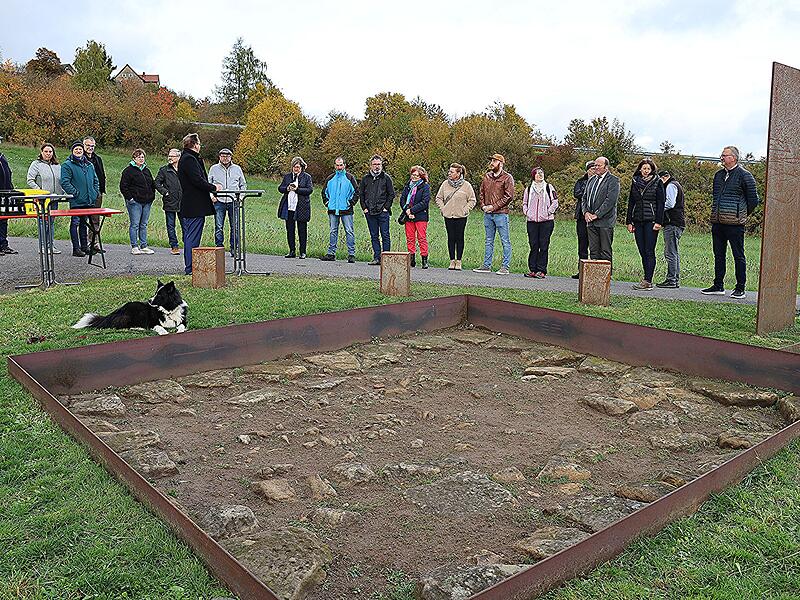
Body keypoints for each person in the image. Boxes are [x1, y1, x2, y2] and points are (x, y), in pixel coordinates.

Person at [701, 146, 760, 299]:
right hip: (718, 223)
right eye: (721, 155)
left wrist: (740, 214)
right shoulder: (718, 175)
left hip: (735, 224)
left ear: (733, 157)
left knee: (738, 256)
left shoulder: (745, 175)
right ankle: (718, 285)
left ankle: (740, 288)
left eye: (725, 155)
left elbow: (753, 200)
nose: (721, 157)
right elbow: (716, 197)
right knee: (718, 255)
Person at [178, 133, 222, 275]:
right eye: (199, 144)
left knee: (190, 235)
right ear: (195, 144)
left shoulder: (186, 158)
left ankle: (190, 266)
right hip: (194, 205)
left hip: (192, 204)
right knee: (192, 237)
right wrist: (213, 187)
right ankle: (190, 268)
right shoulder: (189, 159)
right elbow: (197, 180)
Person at [625, 158, 665, 290]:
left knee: (649, 250)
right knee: (642, 250)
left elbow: (661, 203)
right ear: (640, 169)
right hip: (638, 219)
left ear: (652, 170)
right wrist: (629, 221)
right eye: (644, 168)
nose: (646, 171)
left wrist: (659, 221)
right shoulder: (635, 181)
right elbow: (631, 202)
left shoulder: (657, 182)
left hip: (651, 220)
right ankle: (645, 278)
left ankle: (648, 280)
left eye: (648, 168)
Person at [473, 153, 514, 275]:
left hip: (501, 213)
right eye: (491, 161)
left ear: (500, 164)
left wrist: (494, 207)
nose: (491, 163)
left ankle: (505, 267)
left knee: (505, 241)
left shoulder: (507, 178)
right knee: (488, 240)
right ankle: (486, 265)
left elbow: (509, 196)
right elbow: (481, 192)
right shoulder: (487, 176)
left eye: (494, 161)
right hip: (488, 214)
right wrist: (484, 206)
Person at [60, 140, 99, 257]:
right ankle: (75, 248)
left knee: (84, 224)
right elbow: (65, 182)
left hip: (88, 200)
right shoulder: (67, 165)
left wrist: (94, 193)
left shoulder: (89, 165)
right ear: (72, 151)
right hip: (76, 200)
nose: (78, 151)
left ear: (83, 151)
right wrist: (75, 193)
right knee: (75, 223)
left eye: (80, 149)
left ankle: (84, 247)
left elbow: (95, 181)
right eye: (76, 149)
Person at [435, 162, 476, 270]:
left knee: (460, 237)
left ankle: (459, 261)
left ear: (458, 173)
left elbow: (472, 200)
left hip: (461, 216)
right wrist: (443, 209)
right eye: (449, 171)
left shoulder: (466, 185)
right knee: (451, 237)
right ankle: (452, 260)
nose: (449, 173)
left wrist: (465, 210)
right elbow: (438, 198)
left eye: (451, 172)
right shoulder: (445, 184)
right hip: (448, 216)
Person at [581, 156, 620, 265]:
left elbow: (610, 201)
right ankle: (594, 278)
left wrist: (597, 215)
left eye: (599, 165)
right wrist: (586, 212)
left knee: (605, 250)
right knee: (593, 251)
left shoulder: (613, 180)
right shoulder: (591, 180)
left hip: (605, 222)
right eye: (595, 165)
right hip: (591, 221)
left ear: (606, 167)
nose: (596, 167)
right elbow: (584, 198)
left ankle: (606, 278)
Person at [208, 148, 246, 256]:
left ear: (231, 157)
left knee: (235, 226)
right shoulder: (213, 169)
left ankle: (234, 248)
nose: (225, 158)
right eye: (223, 156)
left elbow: (243, 185)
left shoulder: (237, 169)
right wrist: (211, 196)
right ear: (219, 157)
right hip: (219, 201)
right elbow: (208, 184)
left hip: (233, 201)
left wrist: (241, 197)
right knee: (219, 226)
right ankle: (219, 248)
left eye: (227, 156)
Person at [320, 156, 359, 262]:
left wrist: (350, 203)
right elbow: (324, 192)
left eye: (341, 165)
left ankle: (351, 254)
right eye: (337, 165)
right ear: (334, 166)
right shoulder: (330, 178)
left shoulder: (350, 177)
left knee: (349, 231)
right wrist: (327, 203)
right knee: (333, 231)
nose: (339, 167)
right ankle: (331, 253)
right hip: (332, 209)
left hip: (346, 210)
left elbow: (356, 192)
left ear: (344, 165)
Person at [522, 167, 558, 279]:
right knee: (533, 245)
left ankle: (541, 270)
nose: (540, 175)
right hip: (532, 221)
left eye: (541, 173)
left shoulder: (549, 187)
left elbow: (555, 202)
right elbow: (524, 203)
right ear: (533, 175)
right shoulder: (528, 189)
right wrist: (528, 213)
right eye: (537, 173)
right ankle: (532, 269)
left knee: (543, 245)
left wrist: (548, 212)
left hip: (546, 222)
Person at [26, 143, 63, 253]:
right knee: (43, 223)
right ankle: (42, 246)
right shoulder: (36, 164)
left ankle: (50, 245)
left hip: (54, 199)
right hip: (42, 199)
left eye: (50, 152)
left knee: (51, 223)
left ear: (53, 153)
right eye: (46, 151)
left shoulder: (57, 165)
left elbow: (61, 180)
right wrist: (40, 191)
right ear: (41, 152)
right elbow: (30, 180)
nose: (48, 154)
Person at [120, 148, 156, 255]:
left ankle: (144, 245)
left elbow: (152, 184)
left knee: (143, 224)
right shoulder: (128, 171)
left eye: (142, 157)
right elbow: (123, 186)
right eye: (138, 157)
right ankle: (134, 246)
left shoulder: (146, 170)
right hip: (135, 202)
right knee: (135, 224)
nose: (141, 159)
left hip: (147, 201)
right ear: (134, 158)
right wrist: (130, 198)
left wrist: (152, 196)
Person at [360, 155, 395, 265]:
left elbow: (391, 194)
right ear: (371, 165)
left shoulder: (386, 178)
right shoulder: (366, 179)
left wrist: (386, 208)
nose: (377, 166)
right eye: (374, 164)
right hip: (370, 212)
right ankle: (376, 257)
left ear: (382, 165)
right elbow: (361, 194)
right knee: (374, 235)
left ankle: (386, 258)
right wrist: (364, 208)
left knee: (385, 235)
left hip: (382, 212)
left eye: (379, 164)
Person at [278, 156, 313, 259]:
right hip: (289, 206)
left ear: (301, 167)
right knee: (290, 229)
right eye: (294, 167)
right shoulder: (287, 177)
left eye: (297, 167)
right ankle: (292, 250)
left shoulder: (307, 177)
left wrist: (297, 189)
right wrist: (287, 188)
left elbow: (309, 190)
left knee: (302, 230)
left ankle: (303, 252)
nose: (295, 169)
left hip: (301, 206)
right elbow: (280, 188)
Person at [656, 169, 685, 288]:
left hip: (672, 222)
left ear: (664, 177)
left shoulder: (671, 185)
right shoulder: (675, 184)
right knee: (674, 252)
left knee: (670, 252)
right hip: (676, 222)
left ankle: (671, 279)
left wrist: (658, 210)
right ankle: (674, 279)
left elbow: (670, 203)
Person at [399, 165, 431, 268]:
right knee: (410, 238)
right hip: (408, 216)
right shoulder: (408, 186)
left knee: (422, 238)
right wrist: (407, 211)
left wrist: (412, 210)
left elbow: (425, 202)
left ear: (421, 177)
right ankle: (411, 259)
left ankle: (424, 259)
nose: (414, 177)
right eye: (413, 175)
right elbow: (402, 199)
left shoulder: (425, 187)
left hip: (421, 215)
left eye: (417, 176)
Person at [154, 149, 183, 255]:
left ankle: (188, 245)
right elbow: (156, 183)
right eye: (169, 156)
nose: (170, 158)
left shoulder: (184, 169)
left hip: (183, 201)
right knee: (171, 225)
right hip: (170, 201)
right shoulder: (164, 170)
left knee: (185, 225)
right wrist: (165, 192)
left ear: (179, 157)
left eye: (173, 156)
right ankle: (174, 246)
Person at [571, 161, 597, 278]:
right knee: (582, 244)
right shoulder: (581, 181)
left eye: (594, 168)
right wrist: (588, 191)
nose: (593, 171)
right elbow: (577, 193)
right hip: (582, 216)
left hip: (594, 217)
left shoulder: (599, 182)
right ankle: (581, 270)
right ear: (587, 170)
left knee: (594, 245)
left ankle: (593, 270)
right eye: (591, 169)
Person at [83, 136, 106, 253]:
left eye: (92, 146)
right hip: (84, 194)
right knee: (82, 219)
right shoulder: (80, 158)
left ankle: (94, 242)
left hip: (97, 193)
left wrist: (101, 190)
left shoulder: (97, 159)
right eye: (88, 145)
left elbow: (101, 174)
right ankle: (83, 244)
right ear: (83, 146)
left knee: (95, 219)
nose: (90, 148)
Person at [0, 152, 16, 255]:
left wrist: (11, 189)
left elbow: (8, 174)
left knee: (4, 220)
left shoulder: (2, 157)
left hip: (5, 194)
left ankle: (3, 244)